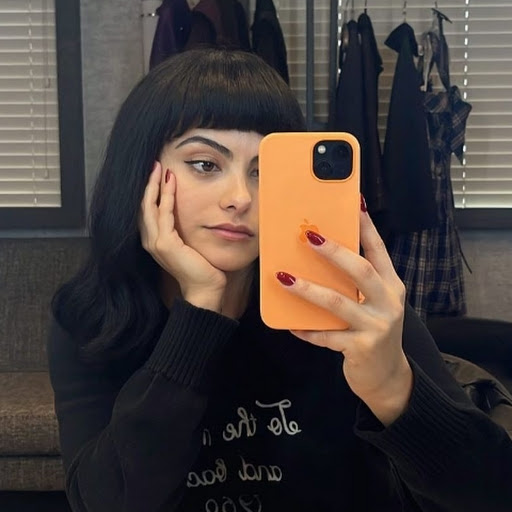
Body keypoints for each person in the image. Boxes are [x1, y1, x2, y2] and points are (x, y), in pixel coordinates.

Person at [48, 48, 512, 512]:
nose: (240, 197)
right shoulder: (92, 318)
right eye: (205, 164)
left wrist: (393, 387)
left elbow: (489, 494)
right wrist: (199, 314)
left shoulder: (344, 301)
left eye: (263, 171)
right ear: (141, 173)